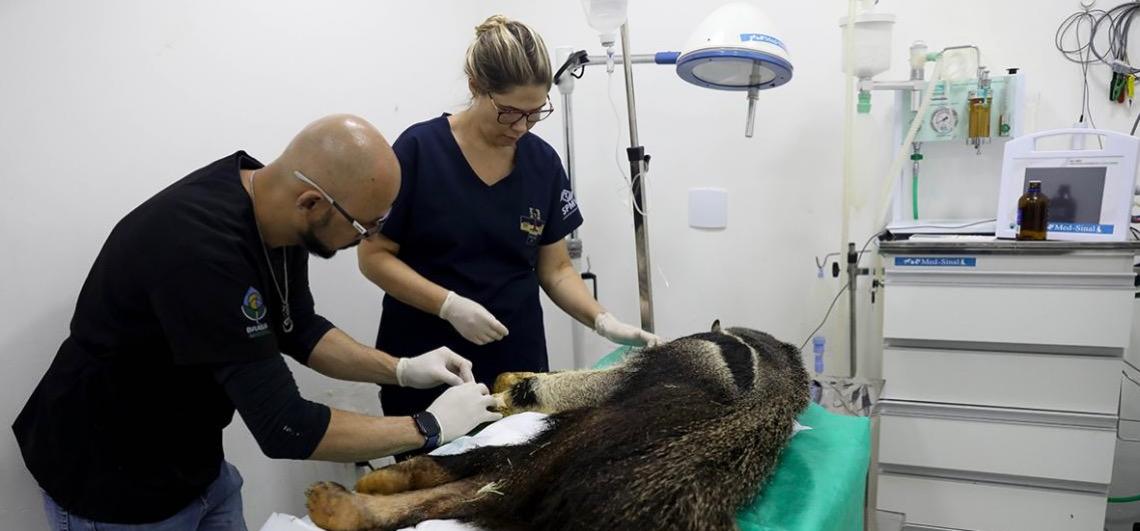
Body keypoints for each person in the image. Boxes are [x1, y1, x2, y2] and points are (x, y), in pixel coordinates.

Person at [12, 115, 501, 530]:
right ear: (312, 203)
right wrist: (429, 426)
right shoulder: (199, 254)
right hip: (114, 482)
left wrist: (401, 370)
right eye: (364, 227)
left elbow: (300, 327)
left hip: (195, 465)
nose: (369, 237)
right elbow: (286, 427)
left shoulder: (275, 210)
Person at [358, 16, 661, 426]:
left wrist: (603, 320)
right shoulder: (418, 150)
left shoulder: (542, 164)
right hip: (427, 362)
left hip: (517, 367)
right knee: (434, 485)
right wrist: (448, 306)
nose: (521, 127)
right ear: (475, 87)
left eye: (535, 114)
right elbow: (374, 256)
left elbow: (555, 270)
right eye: (509, 113)